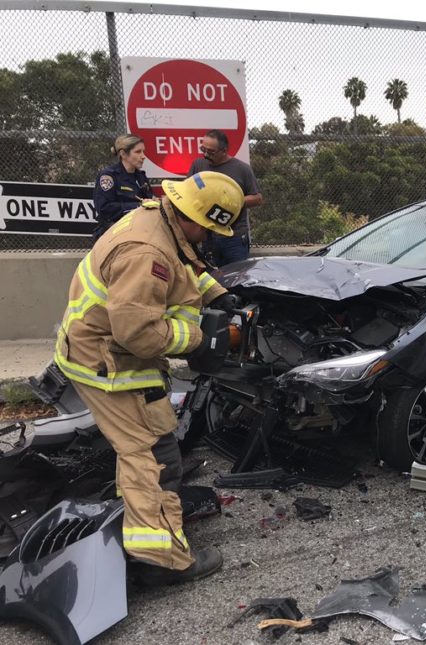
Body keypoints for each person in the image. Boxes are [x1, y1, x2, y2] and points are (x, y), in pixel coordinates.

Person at [54, 171, 245, 585]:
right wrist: (199, 339)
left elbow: (187, 266)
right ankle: (162, 559)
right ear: (191, 218)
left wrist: (220, 294)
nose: (210, 237)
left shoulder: (159, 218)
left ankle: (139, 525)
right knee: (153, 457)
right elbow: (137, 332)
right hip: (106, 362)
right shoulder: (146, 253)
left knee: (148, 449)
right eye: (209, 228)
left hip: (106, 352)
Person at [188, 129, 263, 266]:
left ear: (224, 151)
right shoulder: (198, 165)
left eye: (211, 152)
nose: (205, 155)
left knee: (237, 280)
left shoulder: (242, 169)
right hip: (206, 236)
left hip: (234, 238)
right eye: (203, 149)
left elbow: (257, 198)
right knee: (211, 281)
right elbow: (188, 191)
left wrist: (232, 201)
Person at [93, 134, 155, 241]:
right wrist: (138, 206)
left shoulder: (141, 176)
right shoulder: (109, 176)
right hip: (113, 233)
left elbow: (149, 198)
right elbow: (104, 208)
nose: (143, 156)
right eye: (138, 152)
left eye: (143, 151)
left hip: (139, 230)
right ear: (123, 154)